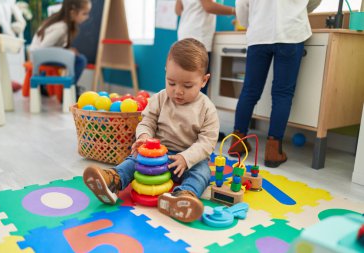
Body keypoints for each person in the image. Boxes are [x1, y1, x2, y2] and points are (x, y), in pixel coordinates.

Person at [83, 38, 220, 223]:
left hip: (188, 159)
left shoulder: (207, 108)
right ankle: (112, 179)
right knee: (134, 160)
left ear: (204, 80)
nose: (178, 91)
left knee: (203, 172)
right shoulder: (160, 98)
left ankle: (184, 197)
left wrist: (186, 158)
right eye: (171, 83)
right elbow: (147, 120)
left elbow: (207, 142)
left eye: (187, 86)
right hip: (156, 156)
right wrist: (144, 137)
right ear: (166, 73)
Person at [229, 0, 321, 168]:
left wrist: (254, 21)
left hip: (259, 34)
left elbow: (241, 6)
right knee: (282, 93)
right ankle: (273, 151)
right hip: (290, 31)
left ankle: (237, 142)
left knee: (249, 90)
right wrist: (297, 9)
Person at [175, 0, 235, 95]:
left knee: (184, 80)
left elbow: (178, 10)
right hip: (198, 37)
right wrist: (235, 11)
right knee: (198, 83)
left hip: (184, 35)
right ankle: (196, 109)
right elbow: (209, 6)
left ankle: (182, 109)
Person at [29, 0, 91, 84]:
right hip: (38, 57)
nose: (87, 17)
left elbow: (53, 46)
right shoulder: (61, 27)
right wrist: (67, 52)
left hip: (40, 56)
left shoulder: (63, 24)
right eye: (84, 13)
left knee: (77, 58)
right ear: (72, 12)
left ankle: (64, 89)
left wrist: (67, 50)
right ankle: (69, 89)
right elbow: (43, 48)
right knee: (80, 60)